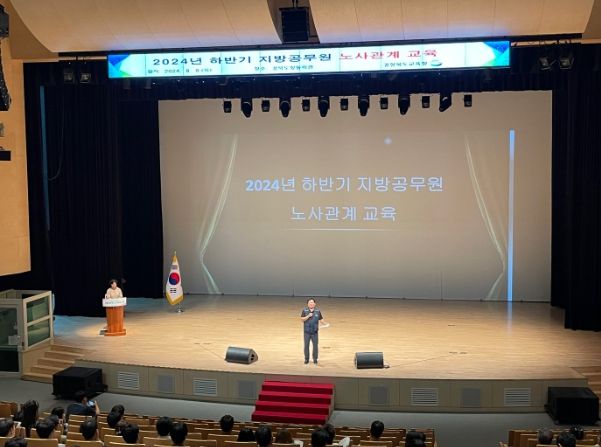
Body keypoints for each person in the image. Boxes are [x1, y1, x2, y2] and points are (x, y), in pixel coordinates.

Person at [300, 298, 327, 364]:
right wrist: (308, 316)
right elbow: (302, 319)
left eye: (312, 302)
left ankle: (315, 359)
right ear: (307, 304)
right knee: (306, 346)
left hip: (315, 332)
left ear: (315, 304)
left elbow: (321, 319)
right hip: (307, 332)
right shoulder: (304, 311)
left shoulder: (318, 311)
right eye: (310, 302)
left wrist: (325, 324)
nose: (311, 303)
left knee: (315, 346)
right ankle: (306, 359)